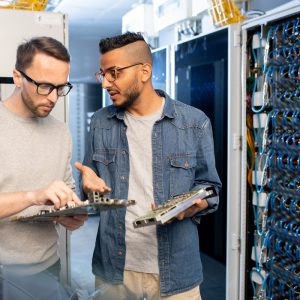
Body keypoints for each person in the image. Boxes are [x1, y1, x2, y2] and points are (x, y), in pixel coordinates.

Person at [75, 32, 221, 300]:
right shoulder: (101, 122)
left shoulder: (194, 122)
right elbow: (92, 193)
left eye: (114, 73)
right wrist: (88, 187)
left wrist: (194, 204)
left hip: (176, 271)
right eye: (103, 74)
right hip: (114, 269)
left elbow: (210, 188)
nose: (106, 82)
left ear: (144, 71)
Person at [0, 36, 86, 297]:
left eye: (60, 88)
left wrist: (71, 214)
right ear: (17, 77)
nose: (53, 97)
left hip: (48, 267)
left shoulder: (61, 133)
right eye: (45, 86)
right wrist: (32, 196)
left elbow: (65, 190)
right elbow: (39, 195)